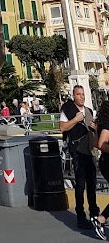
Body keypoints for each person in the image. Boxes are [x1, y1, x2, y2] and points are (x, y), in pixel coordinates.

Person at [60, 85, 101, 234]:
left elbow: (96, 130)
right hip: (77, 151)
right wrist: (76, 119)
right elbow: (62, 128)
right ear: (73, 95)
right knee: (80, 185)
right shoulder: (68, 109)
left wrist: (95, 127)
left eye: (83, 94)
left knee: (92, 184)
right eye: (79, 94)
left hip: (90, 151)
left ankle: (94, 213)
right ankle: (80, 216)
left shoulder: (89, 111)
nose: (82, 97)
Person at [93, 99, 109, 238]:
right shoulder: (107, 125)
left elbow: (95, 143)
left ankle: (101, 219)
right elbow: (102, 144)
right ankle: (101, 219)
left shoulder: (101, 124)